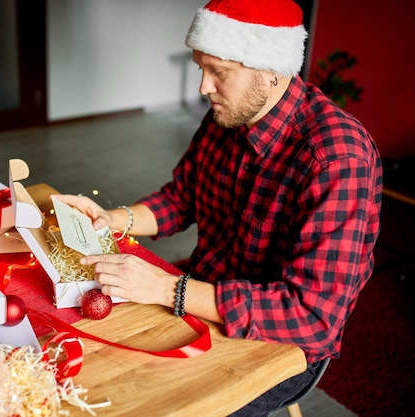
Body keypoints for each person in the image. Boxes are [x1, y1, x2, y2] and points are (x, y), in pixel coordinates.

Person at [53, 0, 383, 415]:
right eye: (201, 68)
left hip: (276, 342)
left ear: (272, 72)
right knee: (98, 374)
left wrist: (167, 289)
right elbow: (182, 197)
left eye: (219, 72)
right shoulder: (228, 115)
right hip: (196, 296)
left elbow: (312, 318)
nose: (203, 87)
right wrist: (112, 218)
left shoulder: (337, 158)